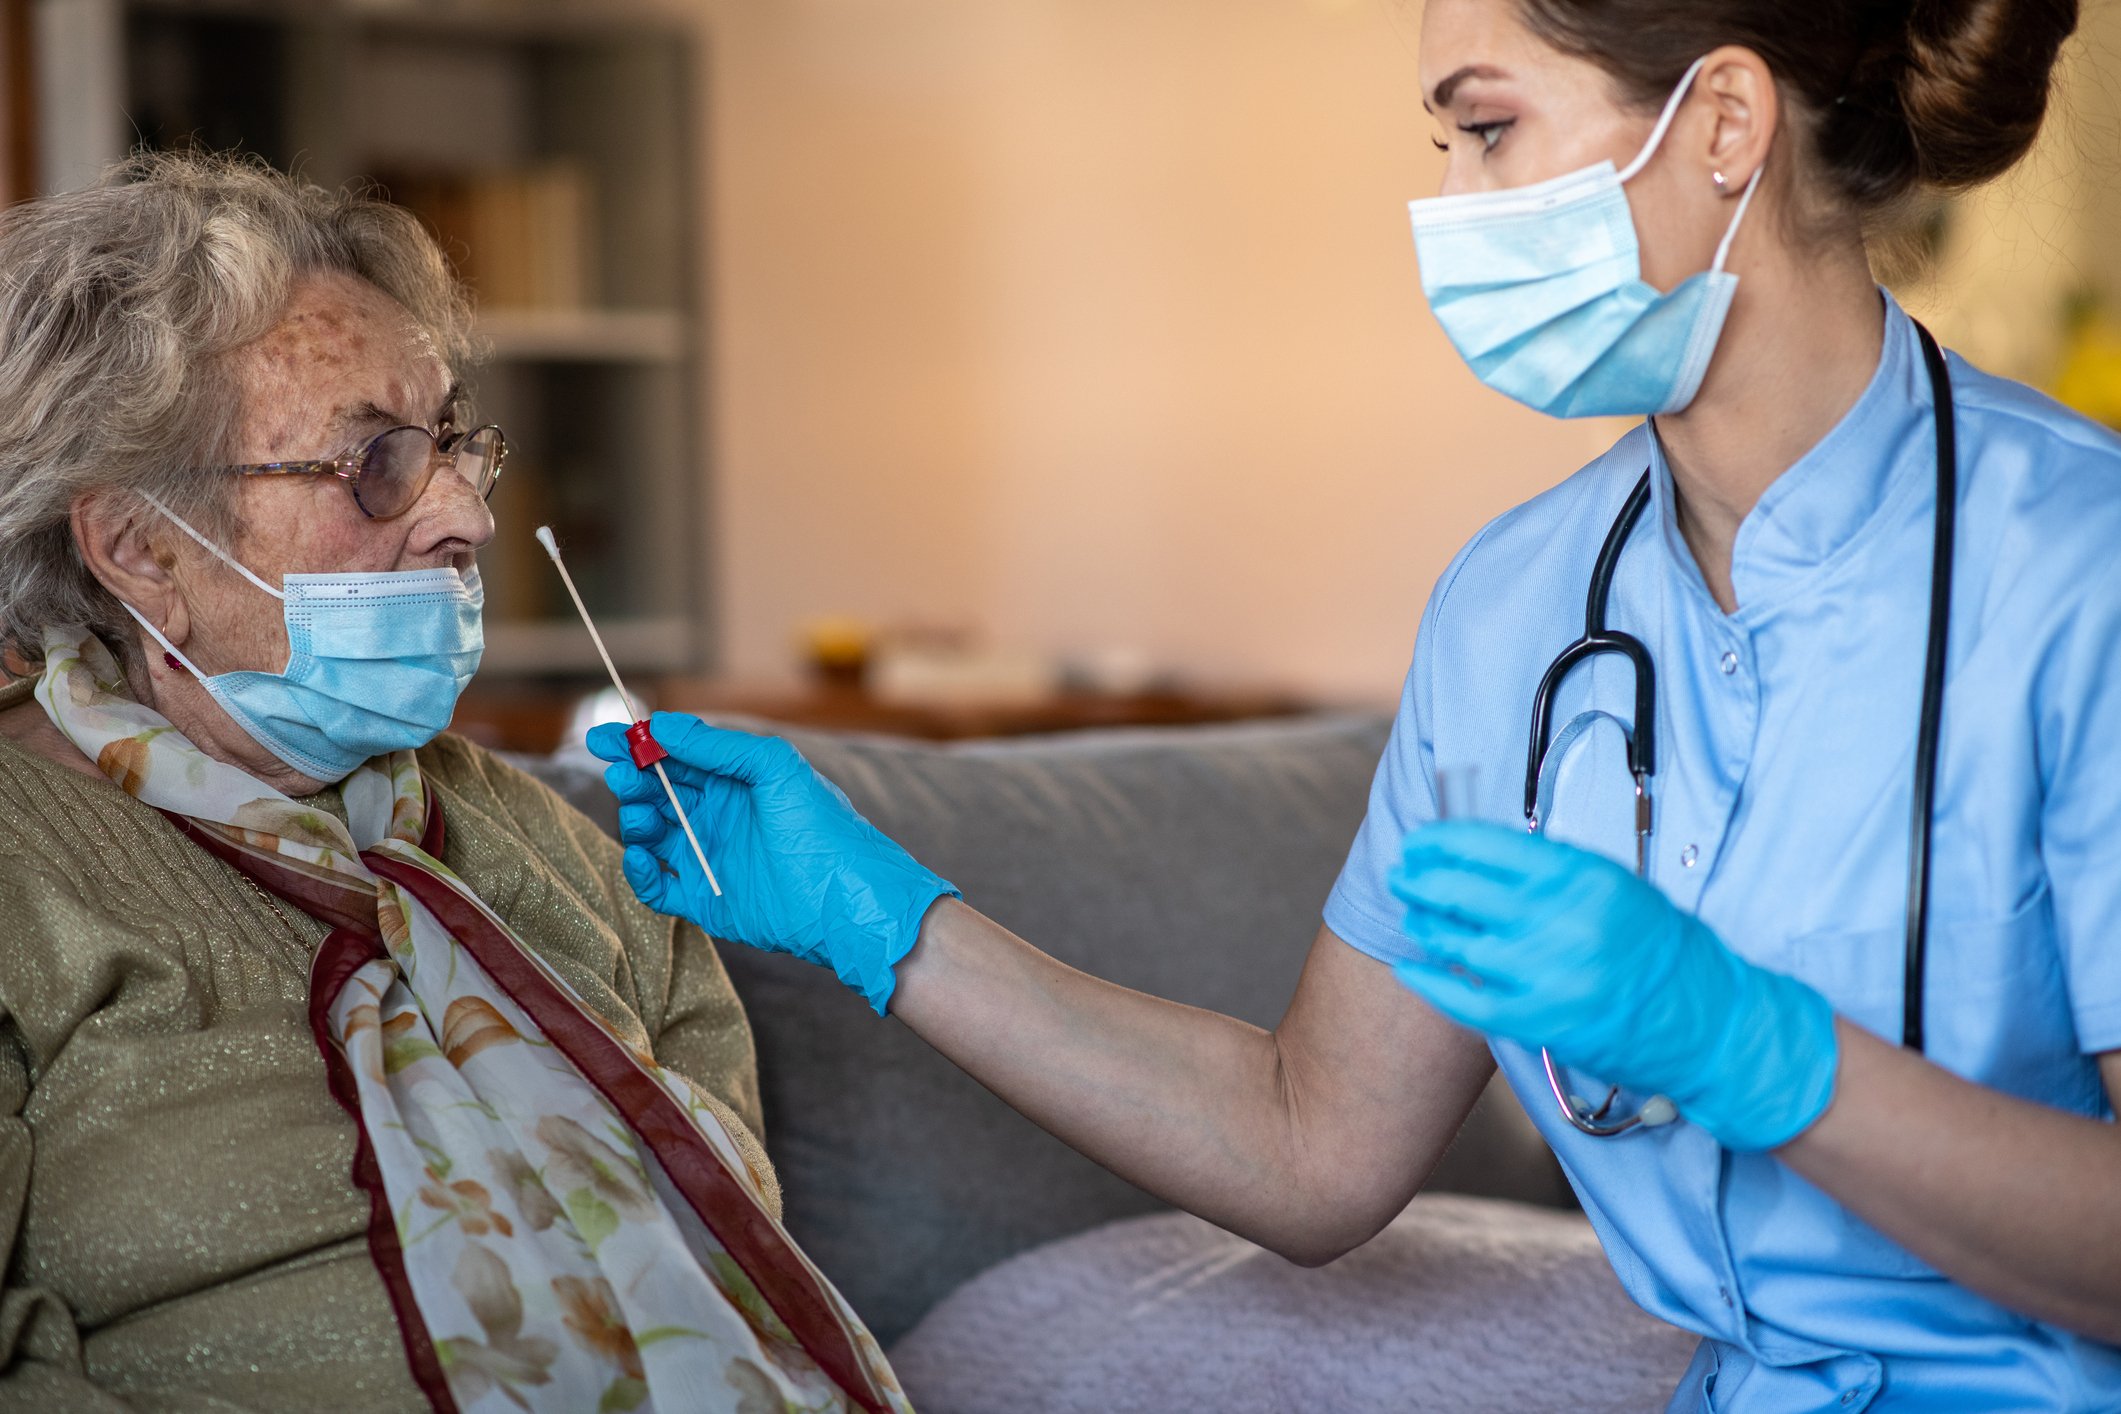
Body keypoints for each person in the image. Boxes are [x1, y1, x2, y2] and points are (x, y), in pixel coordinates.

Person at [590, 0, 2121, 1408]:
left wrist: (1766, 1057)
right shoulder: (1514, 612)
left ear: (1725, 125)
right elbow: (1311, 1142)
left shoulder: (2078, 572)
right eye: (1442, 145)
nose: (1454, 206)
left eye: (1490, 127)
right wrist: (883, 916)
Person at [0, 153, 909, 1412]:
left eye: (448, 445)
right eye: (373, 464)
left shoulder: (550, 841)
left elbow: (740, 1236)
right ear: (142, 549)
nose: (466, 519)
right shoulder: (19, 864)